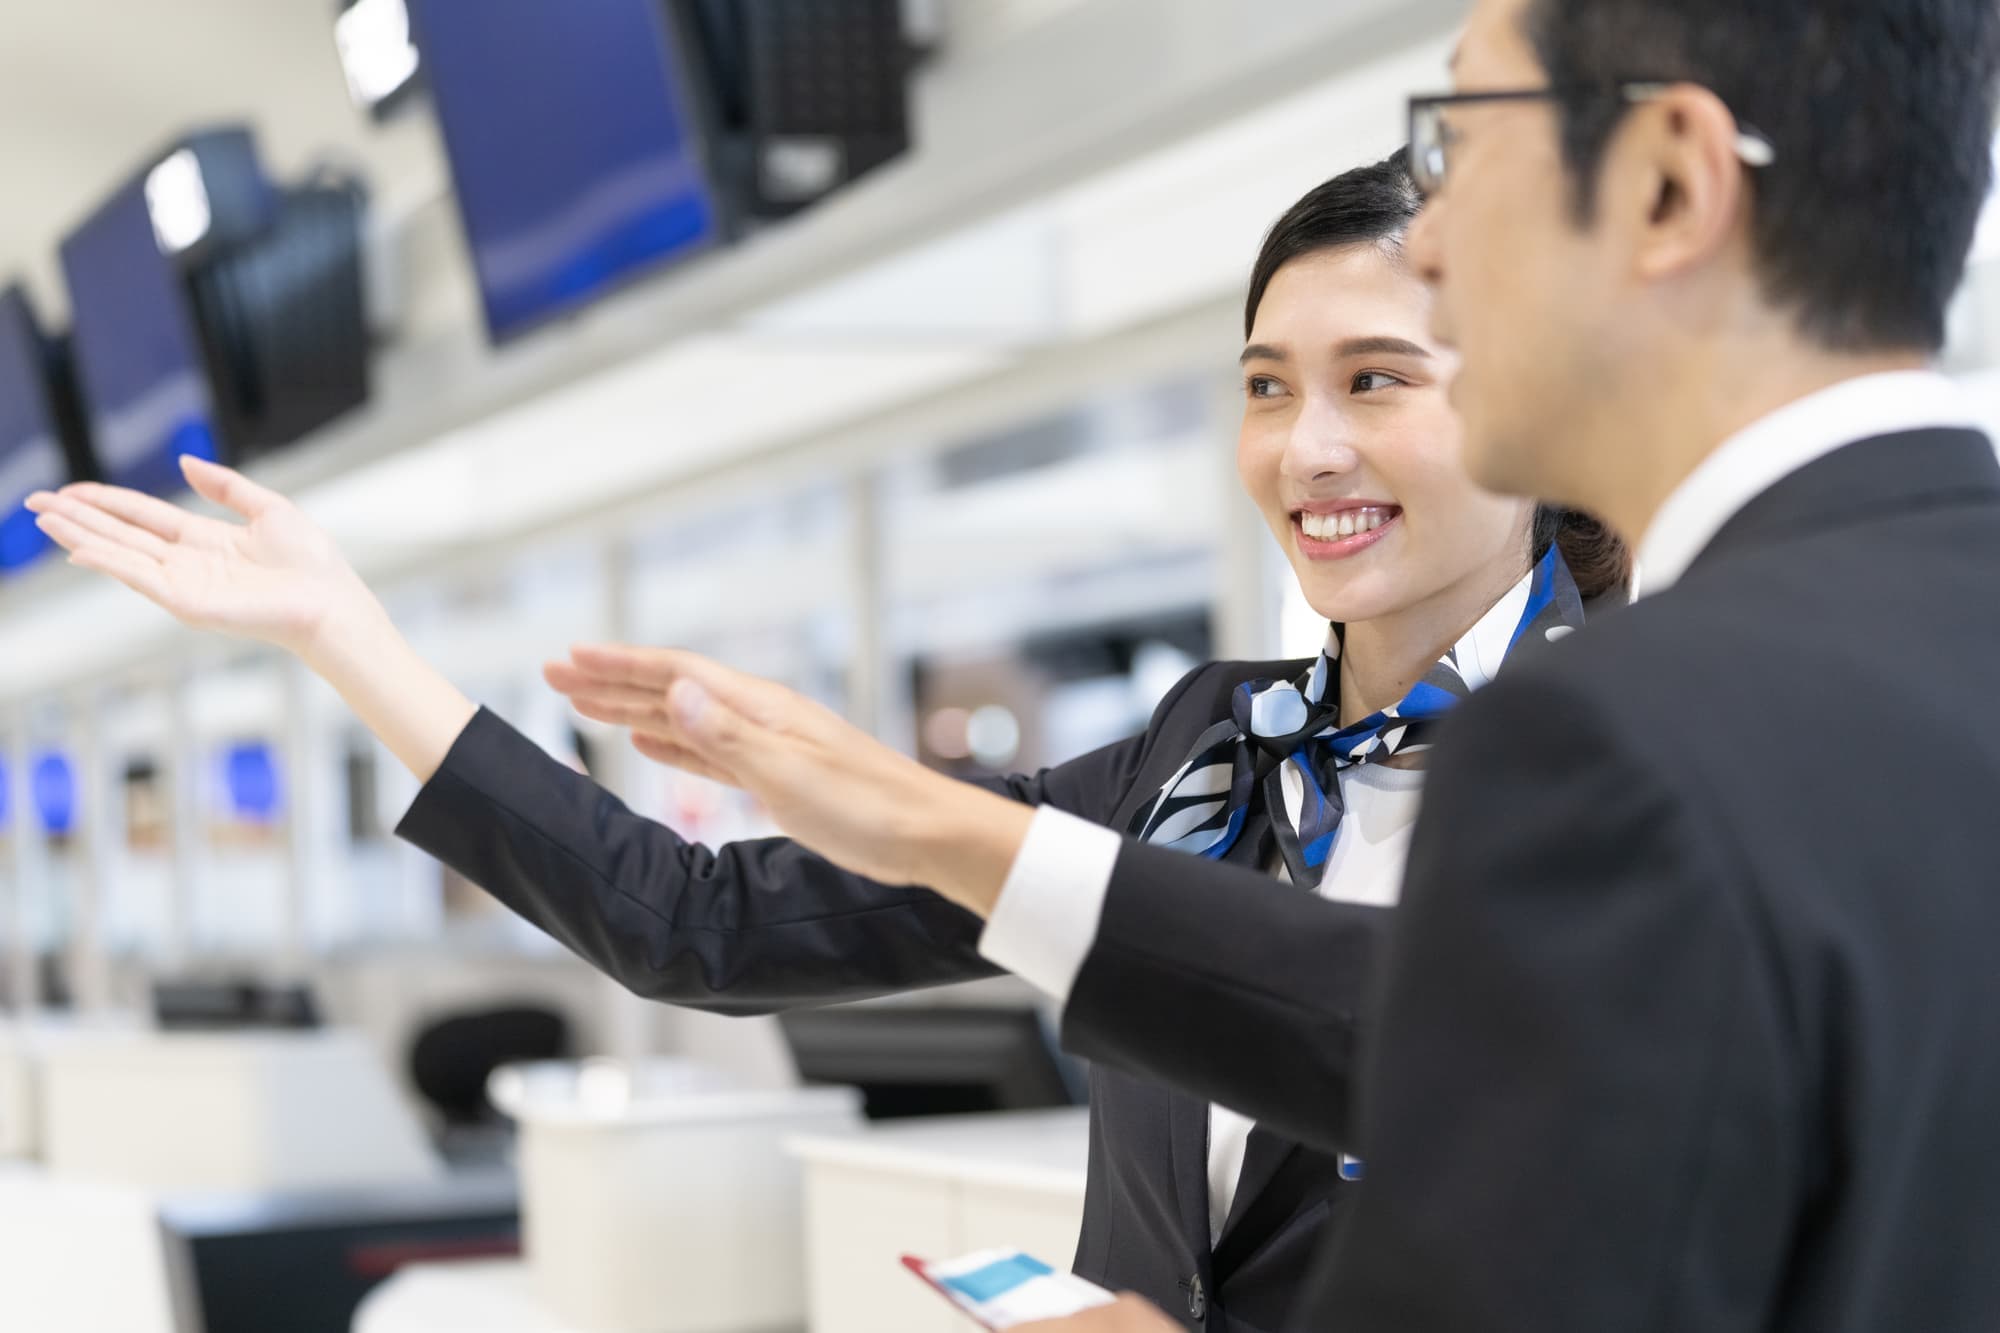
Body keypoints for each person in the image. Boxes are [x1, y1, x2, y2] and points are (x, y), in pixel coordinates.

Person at [523, 1, 2000, 1330]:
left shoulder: (1612, 740)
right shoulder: (1915, 644)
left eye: (1469, 140)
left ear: (1670, 180)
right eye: (1268, 388)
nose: (1434, 239)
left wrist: (934, 825)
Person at [26, 154, 1623, 1332]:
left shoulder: (1637, 763)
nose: (1308, 445)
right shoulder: (1205, 752)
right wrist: (343, 638)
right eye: (1268, 386)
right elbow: (694, 923)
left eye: (1378, 380)